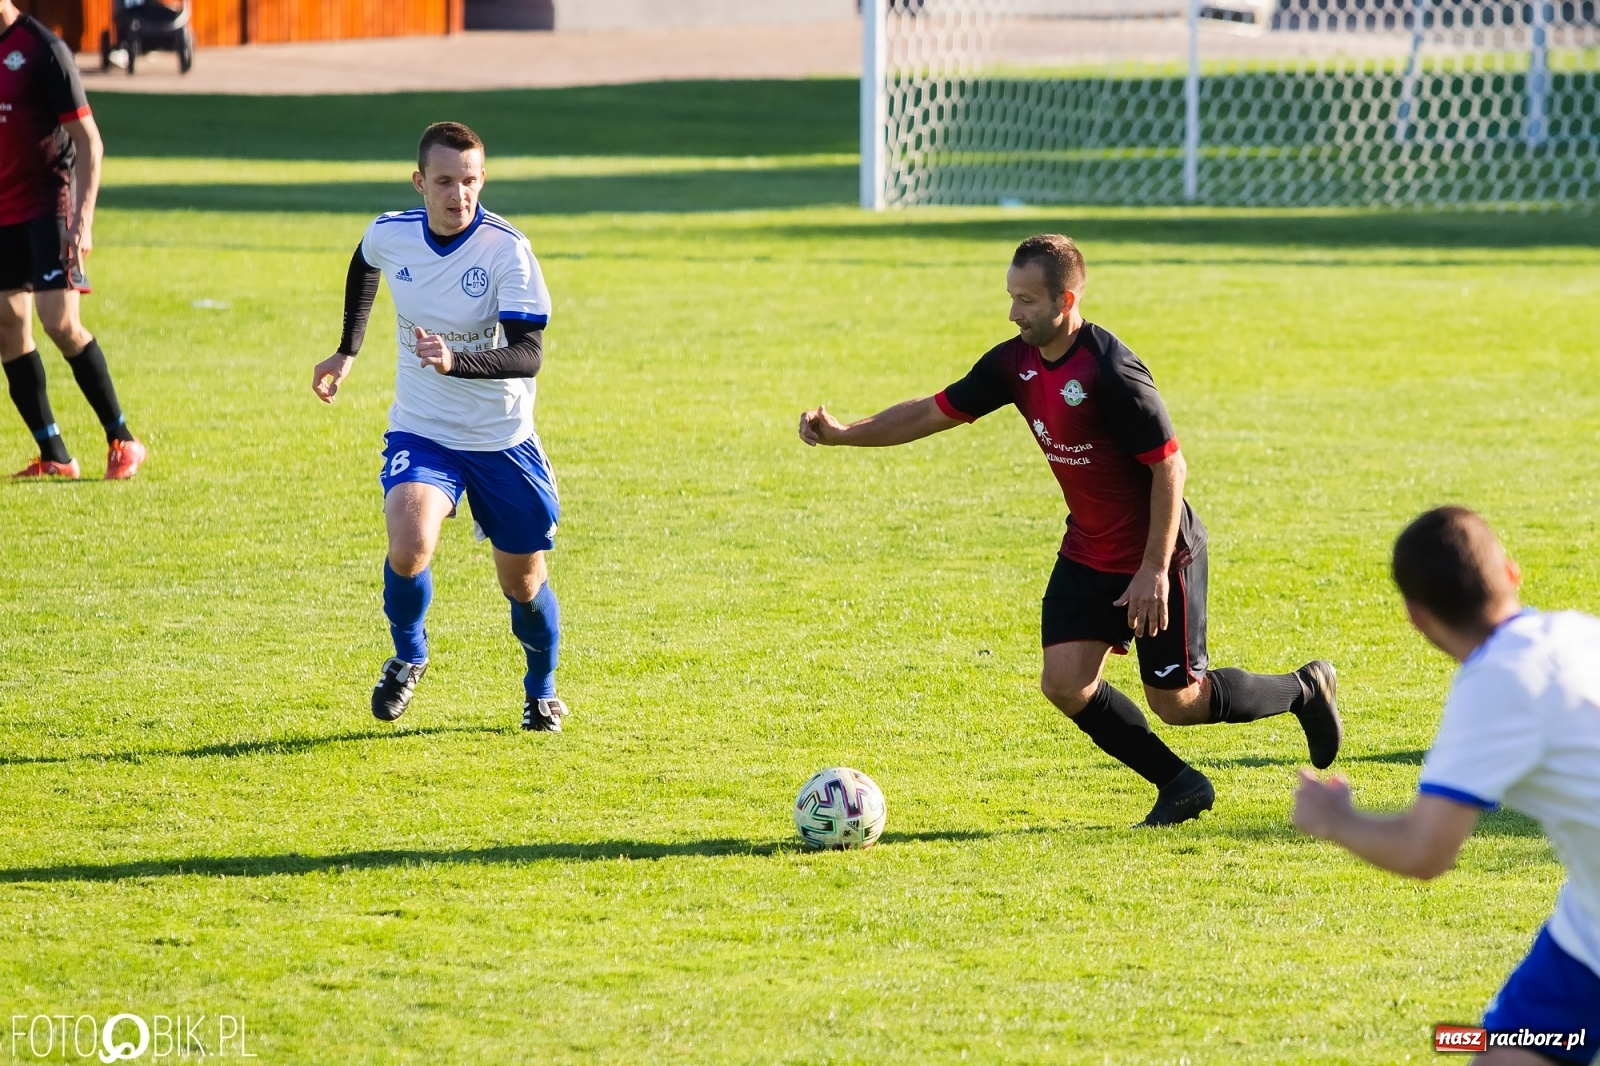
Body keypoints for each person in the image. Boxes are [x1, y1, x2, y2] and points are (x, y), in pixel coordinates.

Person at [799, 234, 1339, 826]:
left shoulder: (1111, 370)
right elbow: (932, 411)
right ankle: (1182, 786)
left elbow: (1170, 467)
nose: (1013, 312)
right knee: (1064, 683)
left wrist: (1154, 572)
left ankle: (1304, 689)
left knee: (1179, 702)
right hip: (1088, 548)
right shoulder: (1014, 363)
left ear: (1067, 299)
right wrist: (846, 432)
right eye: (1011, 297)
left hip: (1158, 555)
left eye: (1026, 301)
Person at [1294, 507, 1599, 1066]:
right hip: (1587, 930)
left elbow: (1424, 851)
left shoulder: (1497, 683)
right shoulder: (1579, 632)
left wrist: (1334, 818)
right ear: (1511, 572)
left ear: (1416, 617)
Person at [312, 121, 569, 732]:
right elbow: (364, 262)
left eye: (471, 181)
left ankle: (541, 689)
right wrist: (348, 349)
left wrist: (457, 360)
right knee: (409, 545)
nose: (460, 195)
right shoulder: (392, 233)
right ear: (419, 182)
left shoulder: (507, 250)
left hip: (501, 439)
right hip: (423, 431)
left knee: (525, 584)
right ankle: (408, 656)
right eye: (446, 182)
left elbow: (528, 354)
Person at [0, 0, 146, 480]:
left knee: (58, 321)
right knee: (7, 324)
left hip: (48, 204)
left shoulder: (42, 49)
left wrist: (82, 220)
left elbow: (88, 139)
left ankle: (122, 439)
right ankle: (55, 455)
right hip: (3, 210)